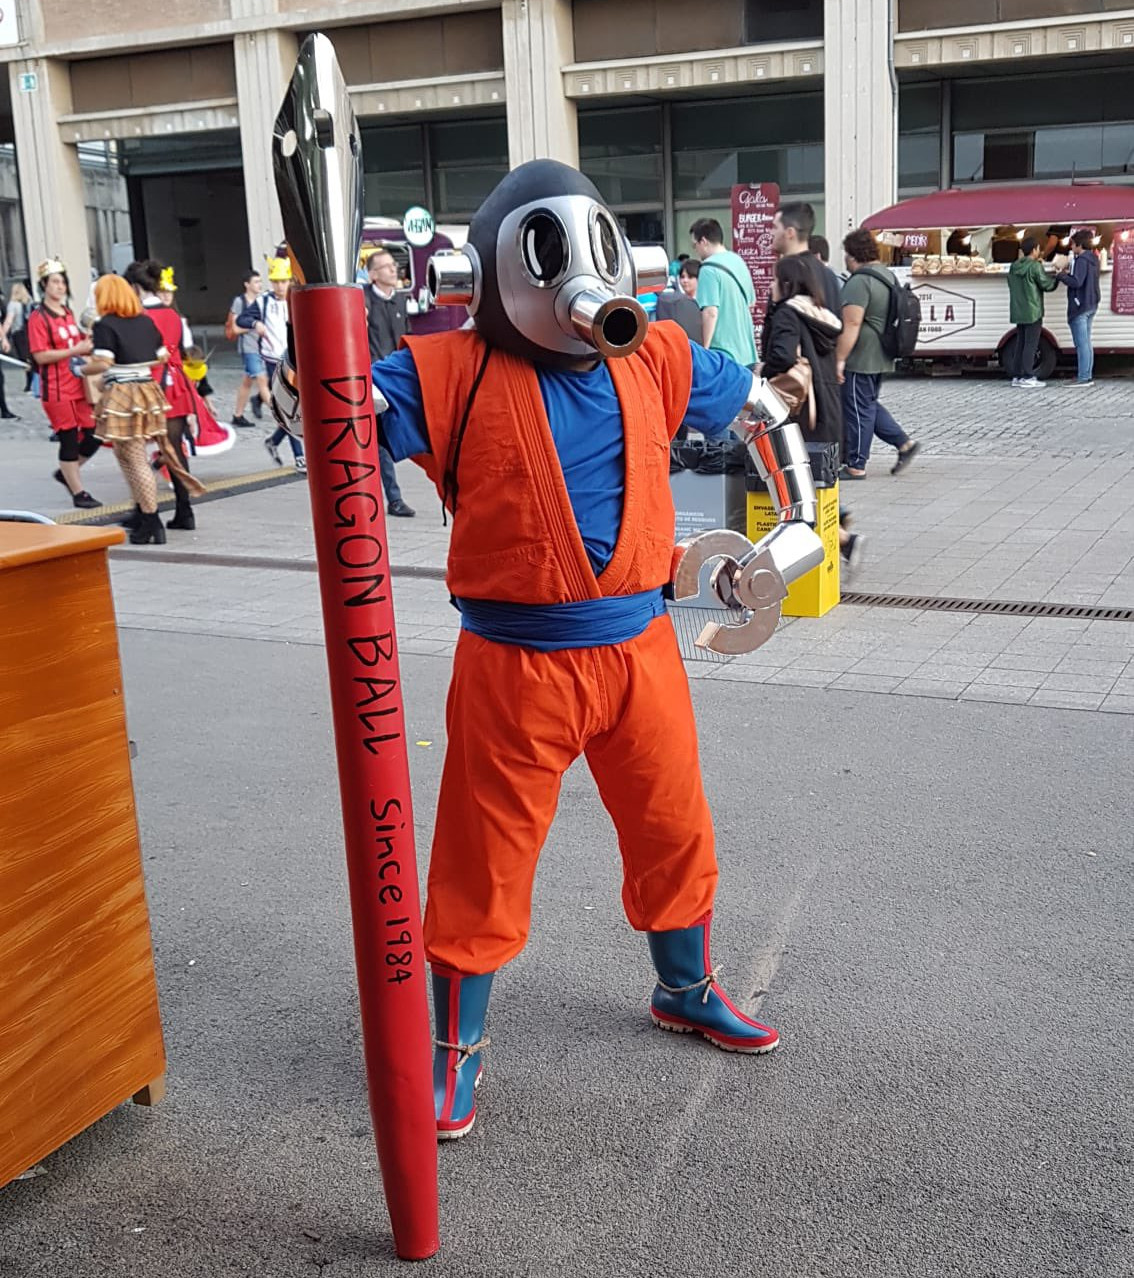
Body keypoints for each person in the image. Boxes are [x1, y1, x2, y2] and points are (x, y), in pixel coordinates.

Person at [280, 160, 824, 1141]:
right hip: (514, 664)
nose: (582, 284)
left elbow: (762, 409)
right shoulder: (443, 369)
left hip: (640, 650)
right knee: (483, 863)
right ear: (499, 270)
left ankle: (686, 986)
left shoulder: (653, 354)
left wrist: (797, 527)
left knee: (673, 827)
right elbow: (331, 425)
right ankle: (453, 1052)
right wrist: (318, 361)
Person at [761, 254, 861, 569]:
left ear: (786, 283)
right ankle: (840, 530)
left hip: (801, 409)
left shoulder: (788, 314)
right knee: (814, 479)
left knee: (794, 482)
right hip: (826, 407)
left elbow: (781, 356)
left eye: (775, 280)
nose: (771, 286)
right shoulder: (821, 314)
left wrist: (763, 366)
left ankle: (842, 540)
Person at [124, 258, 206, 531]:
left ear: (135, 287)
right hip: (175, 385)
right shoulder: (173, 315)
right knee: (174, 449)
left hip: (146, 385)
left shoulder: (136, 316)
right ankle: (185, 511)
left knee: (135, 451)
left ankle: (145, 512)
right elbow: (183, 353)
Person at [836, 228, 920, 480]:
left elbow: (851, 324)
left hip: (861, 356)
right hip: (882, 352)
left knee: (858, 409)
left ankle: (856, 464)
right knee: (867, 404)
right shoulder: (887, 275)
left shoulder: (860, 281)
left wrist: (839, 359)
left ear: (852, 255)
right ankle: (904, 444)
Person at [27, 258, 101, 508]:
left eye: (63, 282)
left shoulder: (68, 312)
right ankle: (78, 491)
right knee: (68, 438)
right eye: (55, 282)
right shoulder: (38, 318)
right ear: (44, 285)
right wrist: (75, 351)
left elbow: (76, 342)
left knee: (94, 433)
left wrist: (87, 345)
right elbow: (40, 355)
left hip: (77, 383)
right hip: (57, 388)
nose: (60, 287)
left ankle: (67, 473)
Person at [363, 249, 414, 516]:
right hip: (374, 379)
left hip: (398, 378)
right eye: (386, 267)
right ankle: (394, 498)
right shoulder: (364, 301)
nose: (393, 270)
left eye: (393, 265)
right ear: (372, 275)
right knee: (380, 438)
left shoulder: (401, 300)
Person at [242, 256, 304, 473]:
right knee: (291, 407)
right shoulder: (263, 302)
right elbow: (242, 319)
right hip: (273, 362)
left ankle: (274, 441)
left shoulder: (296, 298)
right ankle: (299, 456)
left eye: (283, 281)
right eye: (276, 281)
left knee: (294, 406)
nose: (280, 286)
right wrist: (255, 323)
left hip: (294, 359)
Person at [689, 217, 757, 368]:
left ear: (704, 242)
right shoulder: (738, 261)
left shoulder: (708, 268)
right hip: (747, 353)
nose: (696, 250)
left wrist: (704, 352)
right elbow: (751, 304)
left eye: (695, 245)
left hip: (723, 354)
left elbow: (710, 312)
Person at [1007, 236, 1059, 389]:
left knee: (1020, 343)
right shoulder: (1035, 267)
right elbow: (1046, 285)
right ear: (1035, 249)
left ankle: (1017, 376)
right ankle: (1028, 376)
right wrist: (1058, 277)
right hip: (1033, 310)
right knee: (1031, 344)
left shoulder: (1014, 266)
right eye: (1038, 248)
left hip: (1018, 310)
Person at [771, 203, 841, 314]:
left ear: (790, 233)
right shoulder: (828, 275)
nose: (771, 233)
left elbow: (784, 324)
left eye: (775, 227)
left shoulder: (789, 273)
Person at [1058, 229, 1101, 387]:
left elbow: (1077, 282)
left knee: (1081, 343)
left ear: (1079, 245)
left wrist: (1061, 275)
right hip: (1091, 303)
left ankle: (1083, 377)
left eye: (1073, 244)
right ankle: (1087, 375)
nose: (1071, 247)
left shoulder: (1082, 260)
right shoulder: (1094, 259)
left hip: (1080, 305)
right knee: (1087, 342)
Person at [230, 271, 270, 426]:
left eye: (260, 281)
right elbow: (235, 328)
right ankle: (282, 415)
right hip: (249, 347)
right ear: (247, 285)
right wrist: (254, 326)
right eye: (256, 282)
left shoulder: (263, 301)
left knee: (248, 381)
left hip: (264, 347)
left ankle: (238, 415)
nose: (259, 285)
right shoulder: (240, 302)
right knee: (261, 380)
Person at [653, 260, 701, 342]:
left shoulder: (703, 302)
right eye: (682, 277)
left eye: (690, 277)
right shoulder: (674, 301)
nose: (685, 281)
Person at [6, 282, 33, 394]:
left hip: (19, 334)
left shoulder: (13, 305)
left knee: (24, 361)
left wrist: (3, 334)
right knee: (30, 359)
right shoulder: (29, 303)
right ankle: (33, 384)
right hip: (29, 333)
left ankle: (29, 385)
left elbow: (9, 321)